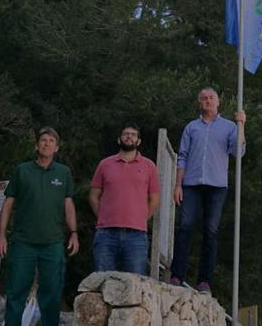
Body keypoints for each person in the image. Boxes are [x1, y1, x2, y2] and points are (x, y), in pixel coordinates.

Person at [0, 127, 79, 326]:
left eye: (51, 141)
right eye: (43, 140)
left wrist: (74, 233)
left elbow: (68, 204)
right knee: (16, 290)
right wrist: (1, 235)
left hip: (53, 243)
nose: (46, 143)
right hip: (22, 242)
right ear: (36, 145)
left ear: (56, 148)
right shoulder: (22, 170)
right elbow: (8, 203)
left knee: (51, 292)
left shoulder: (63, 173)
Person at [169, 87, 245, 294]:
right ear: (199, 103)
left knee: (210, 231)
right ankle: (176, 276)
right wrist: (177, 185)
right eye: (204, 98)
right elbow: (182, 156)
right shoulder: (191, 127)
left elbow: (238, 152)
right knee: (185, 227)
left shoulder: (229, 127)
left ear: (218, 102)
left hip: (217, 186)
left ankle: (204, 281)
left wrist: (242, 125)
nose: (208, 101)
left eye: (211, 98)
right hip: (191, 184)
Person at [89, 123, 161, 274]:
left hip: (136, 236)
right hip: (105, 234)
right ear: (119, 139)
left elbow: (154, 200)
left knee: (134, 287)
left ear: (139, 141)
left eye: (133, 134)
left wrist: (141, 219)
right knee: (102, 283)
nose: (129, 137)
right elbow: (94, 196)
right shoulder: (105, 164)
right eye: (126, 134)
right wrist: (103, 217)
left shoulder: (149, 166)